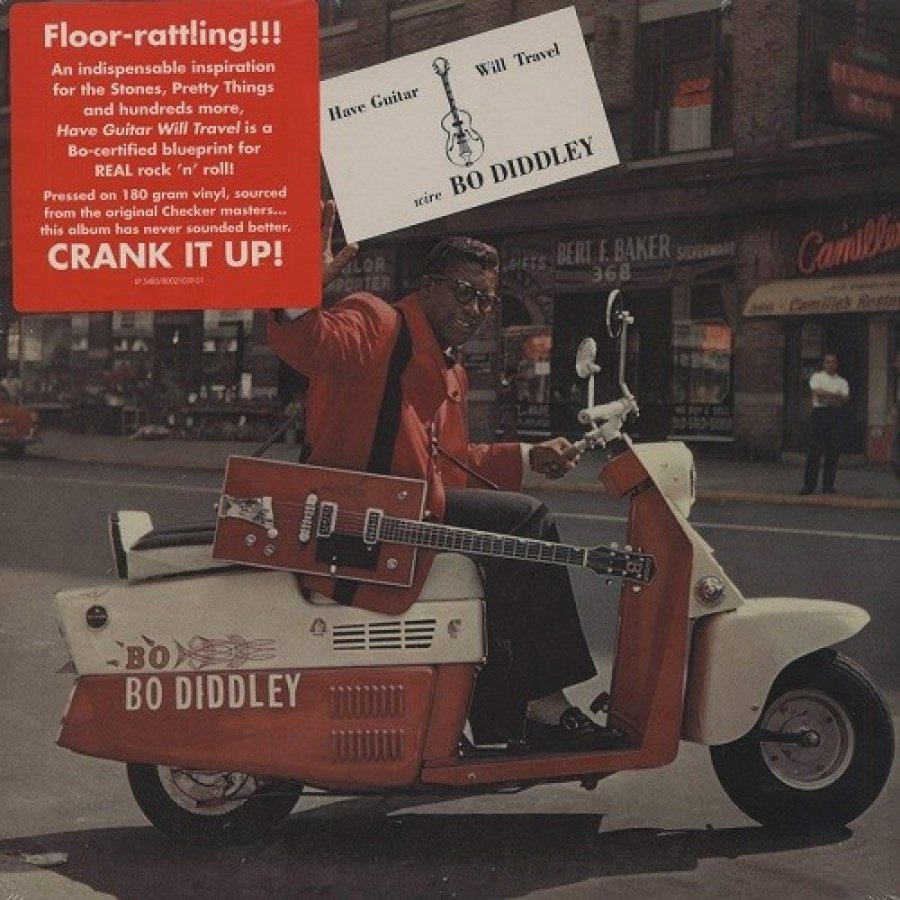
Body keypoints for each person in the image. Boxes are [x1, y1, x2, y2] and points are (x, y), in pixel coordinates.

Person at [267, 202, 625, 752]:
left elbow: (451, 465)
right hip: (359, 524)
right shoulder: (376, 323)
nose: (475, 309)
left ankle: (498, 717)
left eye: (486, 299)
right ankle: (544, 706)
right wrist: (299, 287)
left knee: (504, 551)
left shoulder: (450, 368)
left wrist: (527, 457)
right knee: (526, 521)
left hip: (409, 516)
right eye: (463, 292)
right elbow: (311, 342)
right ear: (428, 287)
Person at [800, 352, 849, 495]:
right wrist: (836, 396)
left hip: (835, 417)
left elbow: (845, 399)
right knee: (814, 452)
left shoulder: (842, 382)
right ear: (823, 364)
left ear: (837, 364)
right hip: (820, 415)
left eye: (833, 362)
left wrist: (827, 397)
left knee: (833, 452)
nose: (830, 364)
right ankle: (809, 486)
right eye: (828, 362)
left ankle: (828, 486)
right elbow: (818, 394)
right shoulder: (817, 377)